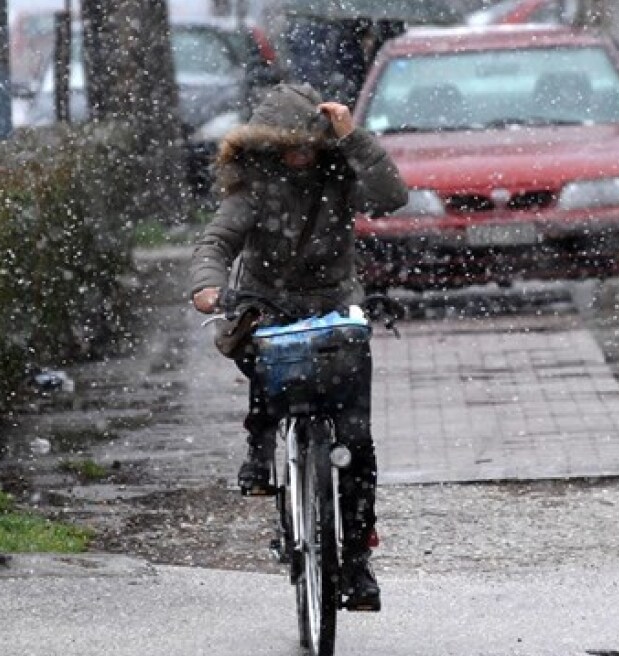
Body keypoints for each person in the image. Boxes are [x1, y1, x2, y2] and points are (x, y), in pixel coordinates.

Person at [188, 82, 407, 609]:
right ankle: (261, 448)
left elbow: (391, 196)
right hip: (267, 307)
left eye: (308, 142)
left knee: (356, 441)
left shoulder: (340, 176)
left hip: (334, 308)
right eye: (287, 144)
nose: (299, 153)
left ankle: (355, 561)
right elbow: (216, 241)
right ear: (264, 146)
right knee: (265, 371)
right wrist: (206, 286)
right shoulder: (254, 188)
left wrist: (354, 138)